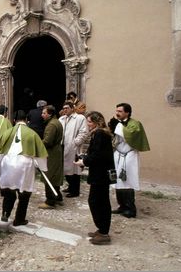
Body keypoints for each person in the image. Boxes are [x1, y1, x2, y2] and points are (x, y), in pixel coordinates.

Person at [0, 110, 48, 226]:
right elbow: (40, 154)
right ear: (27, 120)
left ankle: (5, 213)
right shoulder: (32, 133)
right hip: (25, 165)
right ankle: (19, 219)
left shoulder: (7, 132)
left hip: (8, 163)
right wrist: (43, 168)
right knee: (24, 193)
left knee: (9, 191)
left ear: (14, 120)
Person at [74, 111, 115, 245]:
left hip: (100, 175)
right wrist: (85, 158)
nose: (88, 124)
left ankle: (104, 232)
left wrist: (84, 162)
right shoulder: (100, 134)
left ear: (97, 122)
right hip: (100, 174)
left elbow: (98, 155)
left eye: (90, 122)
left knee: (98, 202)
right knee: (98, 201)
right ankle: (101, 229)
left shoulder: (99, 134)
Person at [108, 103, 150, 218]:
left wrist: (117, 127)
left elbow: (131, 136)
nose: (117, 113)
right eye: (116, 110)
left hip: (129, 156)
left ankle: (130, 209)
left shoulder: (135, 124)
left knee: (128, 181)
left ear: (127, 112)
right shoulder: (118, 123)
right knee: (118, 181)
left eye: (120, 111)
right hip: (118, 155)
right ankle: (121, 206)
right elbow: (114, 138)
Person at [59, 101, 88, 197]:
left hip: (74, 148)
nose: (65, 110)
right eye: (64, 108)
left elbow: (83, 132)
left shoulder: (80, 118)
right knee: (66, 169)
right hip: (63, 147)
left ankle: (75, 191)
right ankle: (70, 186)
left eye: (67, 108)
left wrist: (75, 142)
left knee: (75, 170)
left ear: (72, 108)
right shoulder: (62, 119)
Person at [38, 105, 64, 209]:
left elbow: (48, 141)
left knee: (49, 176)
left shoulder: (52, 125)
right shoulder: (55, 122)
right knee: (55, 175)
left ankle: (50, 201)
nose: (42, 115)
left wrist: (37, 144)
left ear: (50, 114)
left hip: (52, 152)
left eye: (44, 113)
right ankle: (57, 196)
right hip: (55, 151)